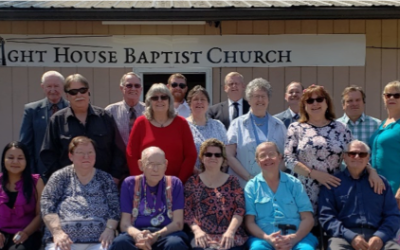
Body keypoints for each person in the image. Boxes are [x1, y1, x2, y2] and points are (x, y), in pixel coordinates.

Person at [284, 84, 383, 217]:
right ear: (304, 105)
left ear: (327, 103)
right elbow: (288, 160)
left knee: (331, 230)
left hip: (333, 190)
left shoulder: (340, 128)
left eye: (319, 99)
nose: (315, 103)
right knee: (306, 232)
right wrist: (314, 174)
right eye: (310, 100)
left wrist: (371, 171)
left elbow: (356, 155)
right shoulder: (296, 128)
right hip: (303, 191)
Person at [40, 74, 127, 183]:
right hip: (69, 185)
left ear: (88, 92)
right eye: (73, 92)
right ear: (67, 96)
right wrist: (62, 179)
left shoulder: (105, 117)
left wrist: (115, 176)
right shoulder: (57, 120)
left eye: (82, 90)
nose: (79, 95)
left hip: (103, 184)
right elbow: (48, 154)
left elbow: (118, 150)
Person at [41, 136, 120, 250]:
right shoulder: (59, 177)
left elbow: (115, 208)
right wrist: (57, 232)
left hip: (99, 242)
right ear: (70, 156)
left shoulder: (105, 179)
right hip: (64, 242)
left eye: (90, 152)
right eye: (80, 152)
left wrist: (110, 229)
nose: (86, 156)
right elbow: (47, 206)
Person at [319, 140, 400, 250]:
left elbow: (392, 215)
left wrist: (380, 236)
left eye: (362, 154)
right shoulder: (332, 183)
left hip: (378, 236)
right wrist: (350, 237)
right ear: (344, 157)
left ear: (368, 158)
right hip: (343, 238)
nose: (357, 157)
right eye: (352, 154)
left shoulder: (381, 183)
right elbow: (326, 217)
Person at [109, 146, 189, 250]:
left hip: (165, 233)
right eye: (150, 164)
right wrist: (138, 235)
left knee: (175, 243)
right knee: (121, 242)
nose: (155, 169)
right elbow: (125, 224)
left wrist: (156, 236)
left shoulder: (174, 183)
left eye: (159, 164)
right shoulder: (129, 183)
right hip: (137, 232)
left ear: (165, 165)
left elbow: (178, 223)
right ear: (141, 165)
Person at [245, 142, 318, 250]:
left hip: (298, 238)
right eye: (262, 156)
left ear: (280, 157)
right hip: (264, 240)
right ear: (257, 161)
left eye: (271, 154)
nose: (267, 158)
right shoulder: (251, 187)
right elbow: (249, 222)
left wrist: (294, 238)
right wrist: (267, 238)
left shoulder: (294, 183)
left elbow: (308, 218)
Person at [184, 139, 248, 250]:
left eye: (217, 155)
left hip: (230, 236)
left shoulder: (233, 181)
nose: (213, 157)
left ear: (223, 159)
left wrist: (230, 232)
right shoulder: (192, 182)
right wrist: (197, 231)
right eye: (208, 154)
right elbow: (186, 210)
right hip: (202, 237)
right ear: (202, 158)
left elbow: (240, 209)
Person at [127, 83, 197, 183]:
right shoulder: (140, 123)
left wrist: (179, 181)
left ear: (169, 101)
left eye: (163, 97)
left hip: (175, 184)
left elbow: (191, 155)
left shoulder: (181, 123)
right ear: (149, 102)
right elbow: (131, 155)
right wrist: (141, 181)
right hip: (146, 185)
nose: (159, 100)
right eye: (155, 98)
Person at [226, 78, 286, 187]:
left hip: (273, 186)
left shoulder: (279, 125)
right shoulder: (237, 124)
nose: (260, 100)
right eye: (256, 96)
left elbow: (286, 157)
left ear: (268, 100)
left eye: (263, 96)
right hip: (243, 185)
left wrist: (273, 177)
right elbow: (229, 156)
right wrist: (249, 178)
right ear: (249, 100)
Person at [19, 71, 69, 175]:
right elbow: (26, 145)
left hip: (68, 170)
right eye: (49, 86)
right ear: (42, 87)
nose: (52, 90)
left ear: (63, 87)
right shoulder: (31, 110)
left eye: (56, 86)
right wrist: (32, 174)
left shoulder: (72, 108)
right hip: (41, 171)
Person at [0, 141, 44, 250]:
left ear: (26, 161)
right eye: (10, 157)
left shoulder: (37, 182)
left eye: (20, 158)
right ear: (3, 160)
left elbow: (41, 214)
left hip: (28, 233)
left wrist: (26, 233)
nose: (15, 161)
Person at [370, 80, 400, 203]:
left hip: (396, 191)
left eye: (397, 95)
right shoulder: (381, 124)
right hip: (378, 190)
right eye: (388, 95)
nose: (392, 98)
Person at [186, 86, 228, 170]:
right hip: (192, 178)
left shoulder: (218, 125)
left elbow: (226, 154)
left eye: (203, 99)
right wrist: (200, 174)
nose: (199, 102)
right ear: (189, 104)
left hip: (217, 177)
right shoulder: (183, 126)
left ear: (208, 104)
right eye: (195, 99)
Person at [105, 72, 145, 146]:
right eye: (129, 85)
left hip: (143, 156)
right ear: (121, 88)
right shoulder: (110, 111)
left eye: (137, 86)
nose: (133, 89)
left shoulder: (148, 110)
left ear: (141, 89)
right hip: (119, 156)